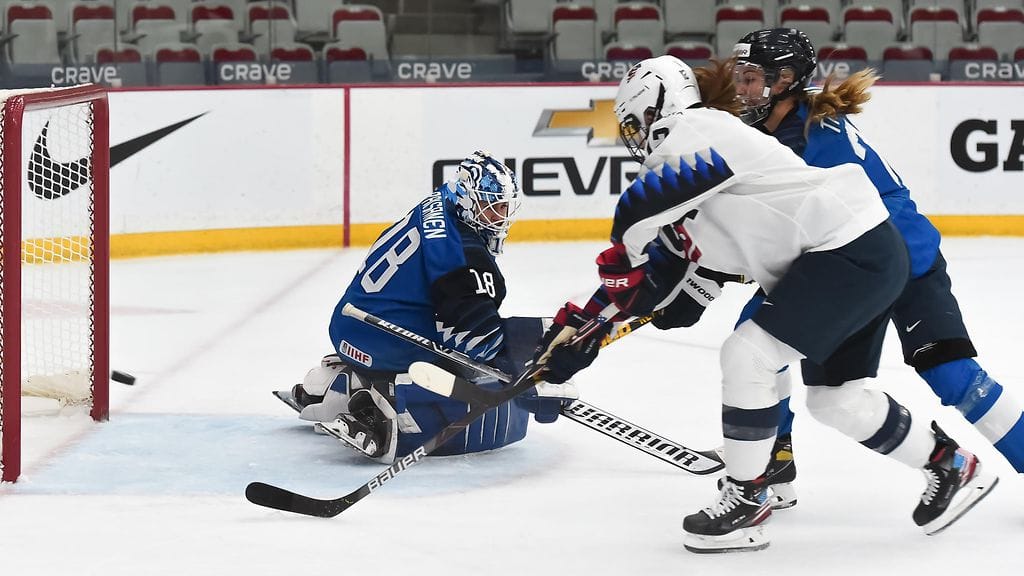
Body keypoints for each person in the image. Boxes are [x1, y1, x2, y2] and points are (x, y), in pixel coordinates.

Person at [532, 55, 998, 553]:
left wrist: (623, 248)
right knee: (835, 401)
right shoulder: (687, 178)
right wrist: (586, 333)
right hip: (853, 258)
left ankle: (747, 498)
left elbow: (644, 206)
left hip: (850, 250)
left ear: (655, 107)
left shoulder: (695, 128)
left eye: (633, 120)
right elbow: (667, 294)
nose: (633, 134)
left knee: (748, 354)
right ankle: (950, 465)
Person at [723, 27, 1024, 507]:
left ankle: (766, 468)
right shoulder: (785, 126)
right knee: (757, 339)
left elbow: (790, 230)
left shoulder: (804, 141)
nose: (742, 88)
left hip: (893, 260)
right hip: (855, 258)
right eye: (740, 76)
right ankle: (772, 467)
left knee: (951, 374)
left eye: (752, 77)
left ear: (786, 79)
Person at [290, 151, 577, 463]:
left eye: (503, 208)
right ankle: (375, 410)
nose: (499, 217)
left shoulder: (439, 202)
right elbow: (479, 342)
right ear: (468, 200)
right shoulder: (461, 252)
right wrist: (536, 359)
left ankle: (337, 380)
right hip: (384, 340)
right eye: (491, 208)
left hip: (350, 326)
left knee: (457, 340)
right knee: (469, 373)